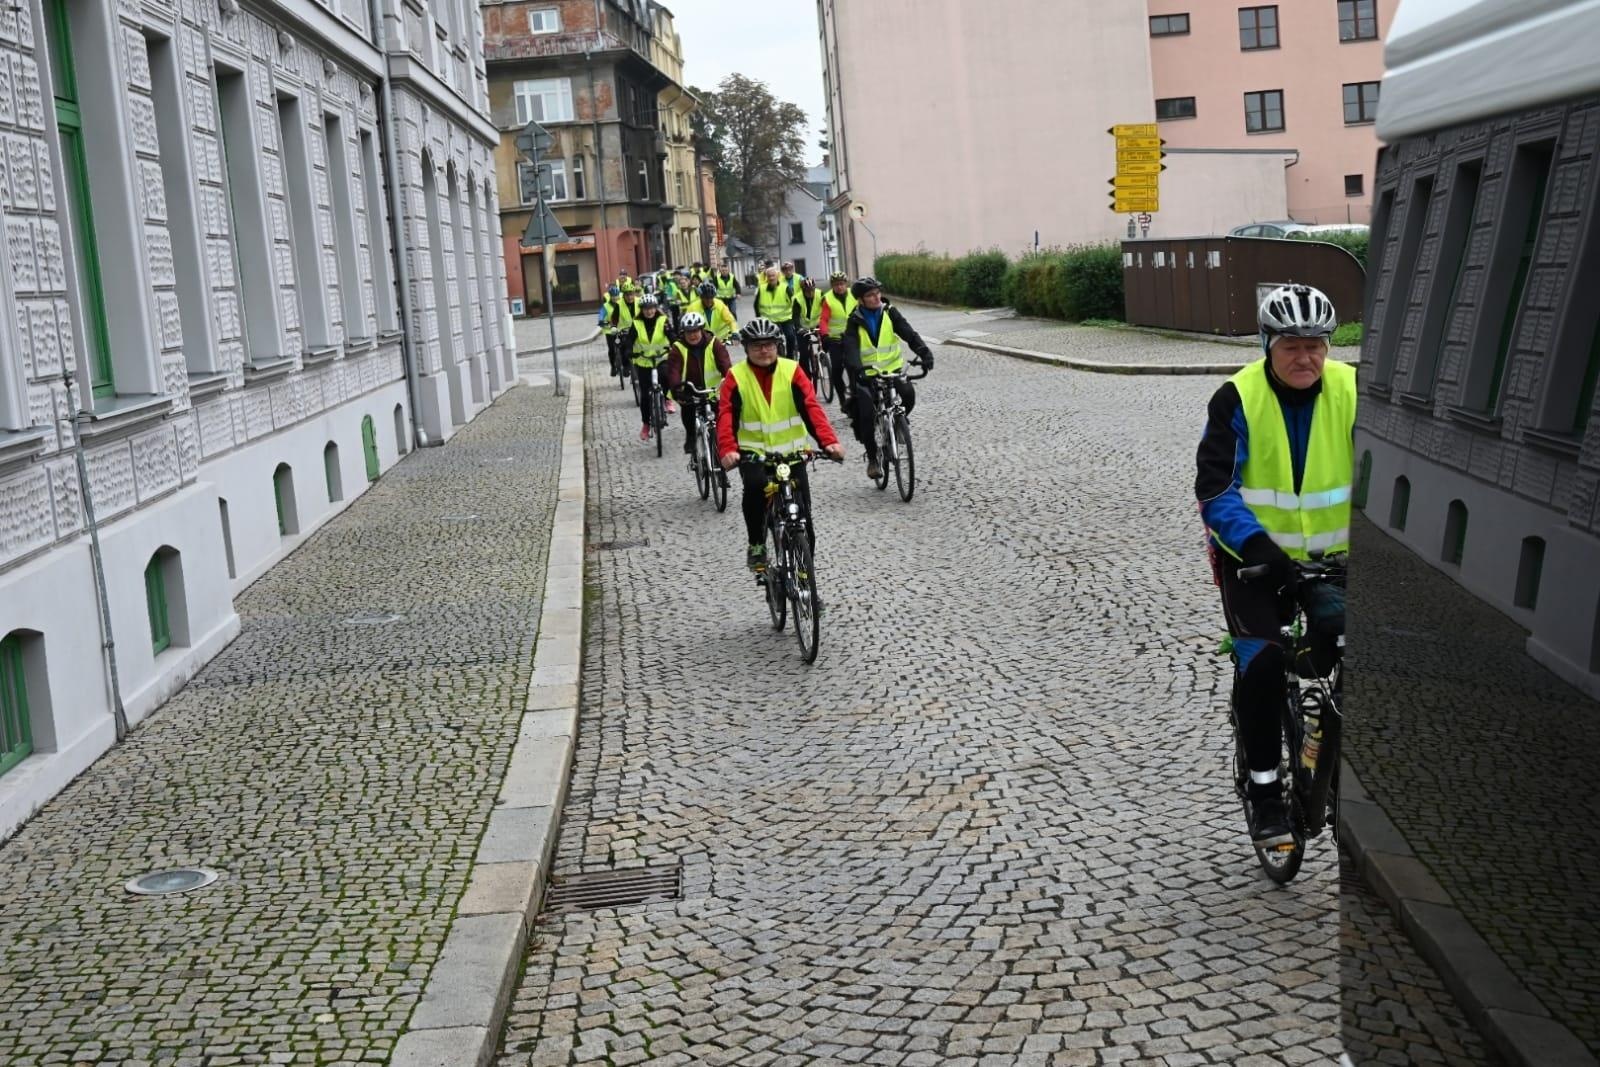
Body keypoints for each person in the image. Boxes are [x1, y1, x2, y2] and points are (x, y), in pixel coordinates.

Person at [1196, 283, 1353, 847]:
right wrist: (1263, 551)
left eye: (1316, 345)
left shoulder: (1354, 390)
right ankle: (1264, 794)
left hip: (1336, 560)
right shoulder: (1237, 398)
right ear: (1267, 344)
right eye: (1291, 345)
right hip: (1255, 563)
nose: (1305, 357)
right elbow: (1216, 490)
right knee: (1261, 664)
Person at [717, 318, 845, 573]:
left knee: (804, 518)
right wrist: (728, 449)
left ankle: (805, 577)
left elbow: (811, 408)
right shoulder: (736, 376)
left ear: (778, 345)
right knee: (755, 489)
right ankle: (757, 544)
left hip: (792, 454)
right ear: (747, 348)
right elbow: (726, 414)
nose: (764, 350)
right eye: (757, 346)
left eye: (769, 345)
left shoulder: (792, 370)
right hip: (754, 455)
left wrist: (829, 442)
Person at [839, 276, 934, 481]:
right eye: (870, 295)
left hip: (892, 370)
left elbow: (909, 334)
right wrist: (858, 369)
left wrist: (925, 353)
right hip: (868, 375)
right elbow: (851, 348)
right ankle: (873, 458)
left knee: (908, 394)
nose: (876, 298)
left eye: (877, 293)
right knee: (865, 415)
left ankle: (899, 423)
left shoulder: (890, 312)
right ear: (861, 300)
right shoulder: (854, 320)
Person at [662, 311, 733, 455]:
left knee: (720, 419)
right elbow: (674, 371)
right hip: (690, 391)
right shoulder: (678, 348)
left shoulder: (714, 343)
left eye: (695, 331)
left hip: (713, 391)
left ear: (701, 330)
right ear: (684, 333)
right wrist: (677, 389)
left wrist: (730, 381)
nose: (692, 335)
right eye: (689, 332)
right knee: (688, 411)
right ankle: (690, 436)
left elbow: (725, 364)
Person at [626, 295, 675, 441]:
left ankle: (667, 399)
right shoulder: (637, 323)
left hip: (661, 359)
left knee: (666, 376)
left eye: (652, 308)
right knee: (645, 397)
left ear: (656, 308)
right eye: (646, 309)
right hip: (644, 362)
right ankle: (646, 425)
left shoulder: (663, 320)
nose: (649, 311)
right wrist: (628, 351)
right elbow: (629, 340)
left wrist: (675, 344)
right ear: (642, 310)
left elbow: (671, 335)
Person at [817, 271, 858, 407]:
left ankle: (855, 393)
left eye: (841, 284)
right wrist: (825, 335)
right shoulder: (827, 299)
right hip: (835, 340)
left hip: (852, 338)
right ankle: (842, 399)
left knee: (853, 367)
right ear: (832, 286)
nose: (839, 287)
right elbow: (823, 320)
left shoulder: (854, 294)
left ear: (846, 284)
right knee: (836, 369)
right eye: (836, 285)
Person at [754, 266, 799, 363]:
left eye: (773, 275)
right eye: (769, 276)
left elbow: (794, 303)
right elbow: (756, 305)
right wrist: (759, 319)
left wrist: (795, 318)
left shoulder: (785, 287)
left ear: (777, 276)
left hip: (785, 319)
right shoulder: (762, 289)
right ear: (766, 277)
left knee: (791, 336)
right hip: (769, 320)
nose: (771, 278)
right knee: (771, 340)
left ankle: (790, 356)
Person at [605, 285, 642, 378]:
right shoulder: (619, 304)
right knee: (623, 345)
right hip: (624, 330)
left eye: (631, 294)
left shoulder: (639, 301)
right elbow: (614, 319)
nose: (630, 297)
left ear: (634, 294)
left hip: (638, 329)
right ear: (624, 295)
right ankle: (626, 365)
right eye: (627, 295)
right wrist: (614, 329)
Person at [791, 277, 824, 380]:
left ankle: (821, 358)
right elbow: (795, 317)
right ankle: (806, 376)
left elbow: (826, 310)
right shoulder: (797, 299)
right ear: (803, 290)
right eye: (807, 291)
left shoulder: (820, 294)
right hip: (803, 327)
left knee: (826, 341)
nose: (810, 293)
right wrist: (799, 328)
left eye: (812, 290)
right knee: (804, 353)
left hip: (817, 324)